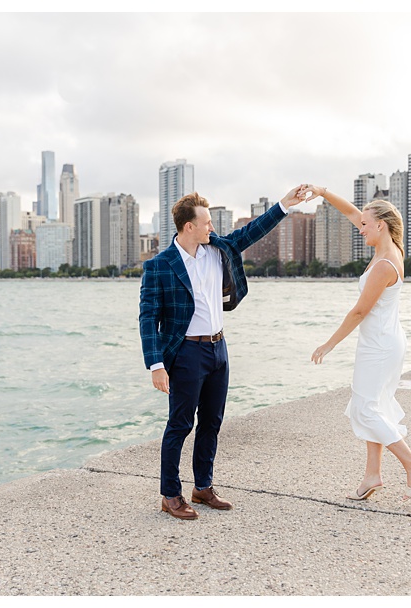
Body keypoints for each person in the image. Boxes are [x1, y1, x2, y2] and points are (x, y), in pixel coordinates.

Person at [139, 186, 308, 520]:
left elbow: (252, 232)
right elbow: (148, 318)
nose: (212, 228)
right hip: (186, 352)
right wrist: (156, 365)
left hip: (219, 349)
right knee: (180, 425)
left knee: (212, 422)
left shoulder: (217, 250)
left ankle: (202, 487)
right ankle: (170, 495)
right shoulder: (159, 266)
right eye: (207, 223)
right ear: (189, 226)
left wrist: (284, 205)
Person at [304, 185, 411, 502]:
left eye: (364, 225)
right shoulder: (390, 249)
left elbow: (360, 311)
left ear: (380, 225)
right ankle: (372, 475)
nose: (360, 229)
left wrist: (329, 344)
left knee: (365, 409)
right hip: (384, 341)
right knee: (375, 406)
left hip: (380, 346)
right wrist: (322, 192)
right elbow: (350, 211)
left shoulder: (385, 264)